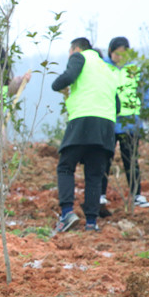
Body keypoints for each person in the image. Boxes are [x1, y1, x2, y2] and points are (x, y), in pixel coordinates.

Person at [50, 37, 118, 233]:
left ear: (75, 49)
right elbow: (118, 105)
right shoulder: (108, 69)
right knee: (94, 175)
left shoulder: (80, 57)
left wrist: (58, 85)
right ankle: (91, 222)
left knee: (65, 166)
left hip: (83, 120)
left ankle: (67, 213)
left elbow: (67, 77)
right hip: (106, 125)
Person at [99, 36, 149, 212]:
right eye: (117, 53)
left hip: (130, 122)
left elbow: (143, 94)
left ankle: (136, 194)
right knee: (104, 159)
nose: (120, 57)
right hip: (109, 119)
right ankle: (100, 194)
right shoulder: (103, 68)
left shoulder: (135, 70)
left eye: (124, 53)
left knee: (131, 160)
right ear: (110, 52)